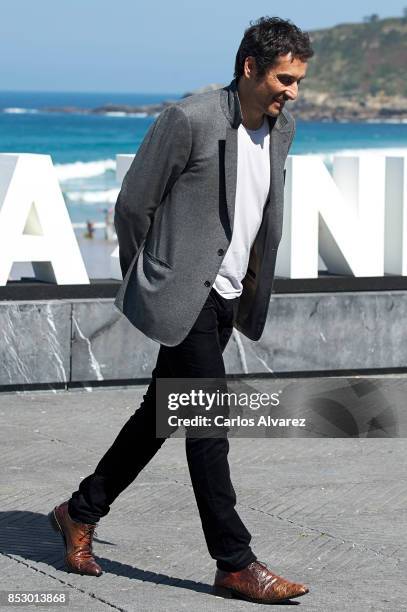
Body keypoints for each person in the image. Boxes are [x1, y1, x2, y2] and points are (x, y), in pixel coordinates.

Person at [49, 16, 314, 605]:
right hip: (184, 294)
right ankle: (234, 561)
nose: (291, 92)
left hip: (227, 294)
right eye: (283, 78)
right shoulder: (189, 119)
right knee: (207, 424)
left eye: (297, 81)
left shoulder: (282, 127)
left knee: (161, 412)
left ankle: (79, 510)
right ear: (249, 67)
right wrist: (150, 281)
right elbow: (132, 205)